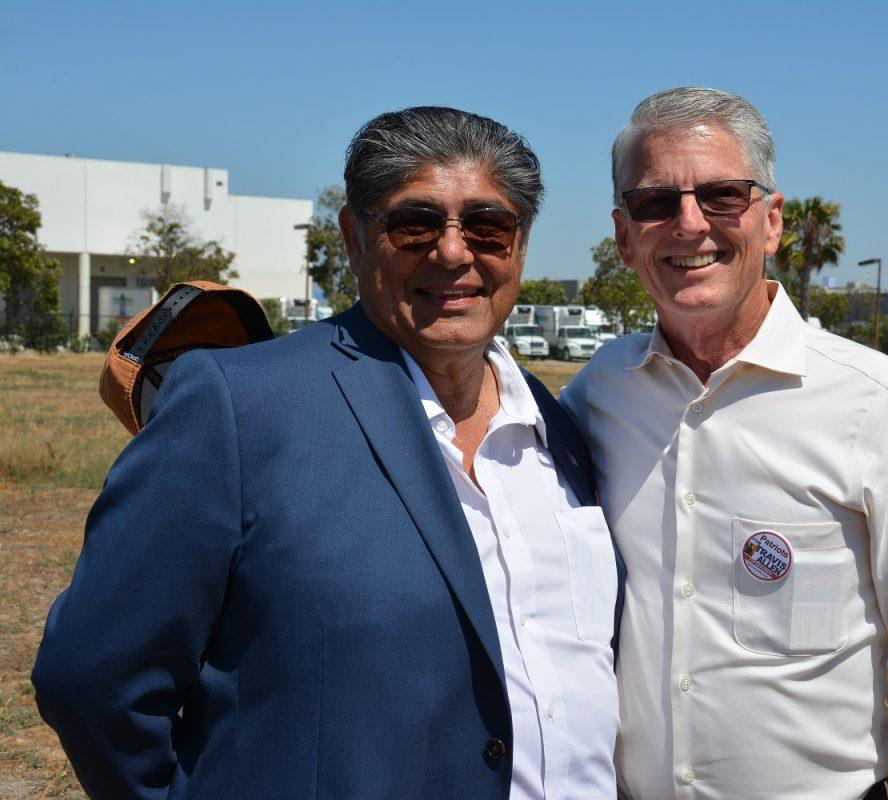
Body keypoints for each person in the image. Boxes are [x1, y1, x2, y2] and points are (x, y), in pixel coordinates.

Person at [33, 107, 622, 800]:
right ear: (354, 237)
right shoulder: (239, 407)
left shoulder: (565, 431)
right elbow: (93, 675)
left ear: (519, 245)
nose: (454, 253)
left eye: (488, 227)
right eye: (416, 224)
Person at [561, 87, 888, 800]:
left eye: (722, 195)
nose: (689, 223)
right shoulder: (597, 397)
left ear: (771, 222)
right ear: (622, 235)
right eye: (655, 202)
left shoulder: (878, 404)